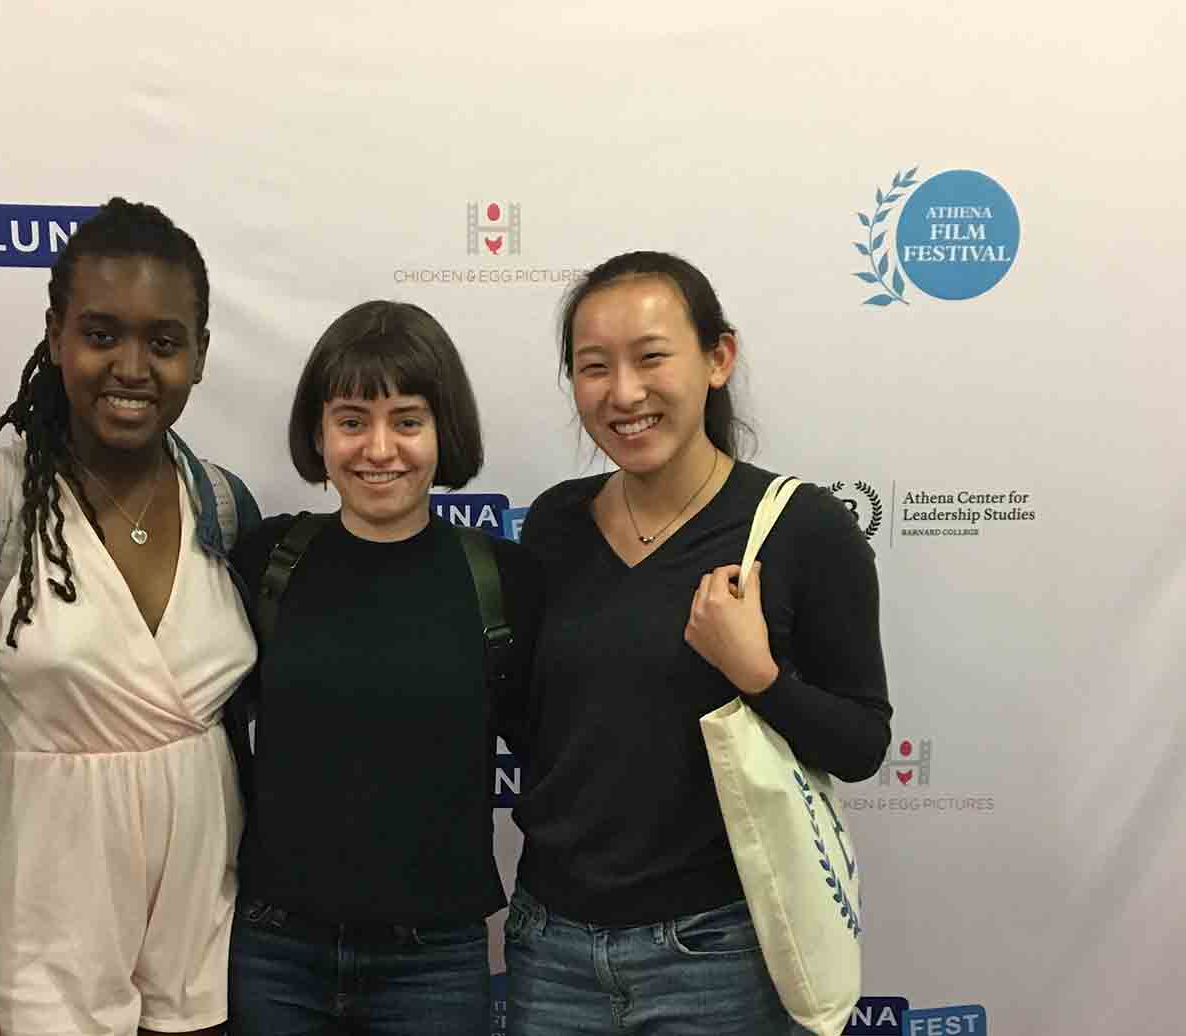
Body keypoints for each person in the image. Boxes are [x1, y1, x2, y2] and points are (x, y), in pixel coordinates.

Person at [0, 198, 261, 1036]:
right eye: (101, 334)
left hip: (206, 923)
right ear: (55, 338)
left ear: (200, 356)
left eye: (164, 342)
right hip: (37, 930)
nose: (133, 366)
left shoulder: (225, 508)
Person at [505, 251, 892, 1034]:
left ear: (718, 358)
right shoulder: (553, 525)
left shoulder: (801, 529)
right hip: (550, 947)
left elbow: (860, 743)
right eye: (593, 368)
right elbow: (536, 721)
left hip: (719, 957)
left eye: (651, 358)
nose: (624, 393)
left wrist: (758, 673)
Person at [224, 300, 542, 1036]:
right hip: (275, 953)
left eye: (406, 419)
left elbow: (562, 758)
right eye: (351, 420)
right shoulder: (267, 561)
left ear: (444, 431)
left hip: (432, 964)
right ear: (319, 432)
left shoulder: (504, 580)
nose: (378, 448)